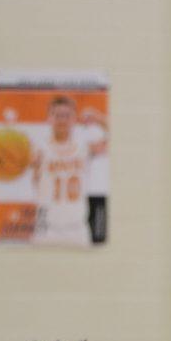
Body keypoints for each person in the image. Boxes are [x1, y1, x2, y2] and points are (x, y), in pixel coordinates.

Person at [31, 97, 108, 246]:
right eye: (57, 115)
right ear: (49, 118)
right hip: (46, 228)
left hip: (77, 228)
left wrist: (99, 118)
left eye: (67, 115)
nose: (62, 120)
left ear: (74, 119)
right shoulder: (38, 149)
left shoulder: (84, 148)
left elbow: (119, 137)